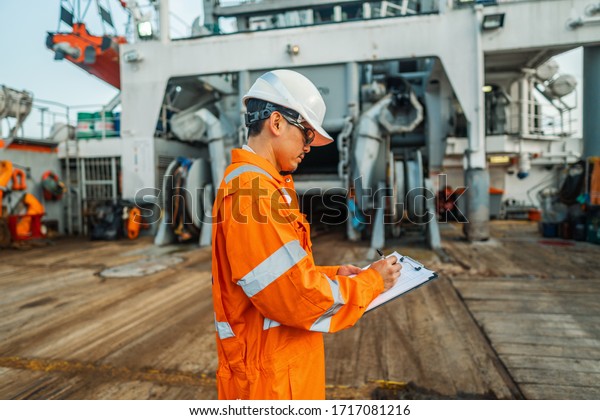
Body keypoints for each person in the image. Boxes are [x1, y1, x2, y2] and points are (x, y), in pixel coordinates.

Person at [211, 69, 400, 400]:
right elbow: (295, 299)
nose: (310, 146)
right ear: (277, 123)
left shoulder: (265, 186)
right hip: (270, 384)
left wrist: (331, 274)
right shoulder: (251, 192)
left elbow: (281, 277)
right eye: (308, 134)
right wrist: (371, 283)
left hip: (279, 371)